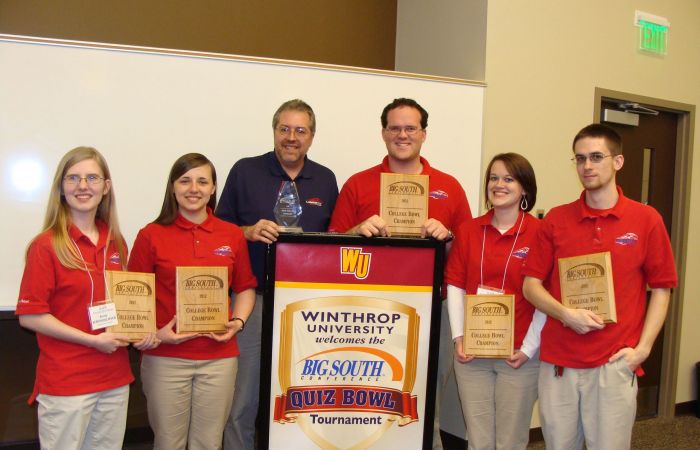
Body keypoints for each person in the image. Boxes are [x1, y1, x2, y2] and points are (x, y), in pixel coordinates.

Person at [522, 124, 677, 450]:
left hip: (614, 363)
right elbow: (531, 286)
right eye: (580, 159)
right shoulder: (556, 220)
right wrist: (566, 314)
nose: (587, 166)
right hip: (559, 365)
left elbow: (662, 288)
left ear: (618, 161)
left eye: (596, 157)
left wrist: (643, 350)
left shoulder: (646, 220)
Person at [328, 97, 472, 449]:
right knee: (371, 392)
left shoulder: (449, 186)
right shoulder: (358, 184)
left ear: (423, 134)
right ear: (383, 133)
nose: (402, 135)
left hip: (432, 309)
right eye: (395, 128)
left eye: (411, 128)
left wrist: (448, 237)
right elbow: (331, 248)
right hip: (369, 310)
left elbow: (469, 258)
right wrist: (357, 230)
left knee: (425, 393)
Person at [16, 146, 159, 450]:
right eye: (73, 178)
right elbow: (31, 315)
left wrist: (142, 332)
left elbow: (125, 306)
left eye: (92, 177)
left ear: (106, 187)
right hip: (67, 382)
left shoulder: (116, 242)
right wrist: (92, 341)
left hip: (114, 378)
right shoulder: (46, 245)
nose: (83, 186)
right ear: (61, 188)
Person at [216, 99, 338, 450]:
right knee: (244, 396)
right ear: (274, 131)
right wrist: (248, 231)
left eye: (300, 130)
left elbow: (334, 238)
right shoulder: (245, 170)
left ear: (312, 137)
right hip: (253, 301)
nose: (291, 137)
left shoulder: (326, 179)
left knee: (298, 391)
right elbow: (217, 231)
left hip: (305, 306)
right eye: (284, 129)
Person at [128, 153, 256, 450]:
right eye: (185, 180)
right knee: (168, 443)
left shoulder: (231, 235)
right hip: (166, 360)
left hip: (219, 358)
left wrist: (236, 323)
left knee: (208, 444)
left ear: (213, 189)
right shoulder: (151, 235)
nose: (193, 188)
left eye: (202, 181)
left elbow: (246, 288)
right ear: (173, 187)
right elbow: (133, 297)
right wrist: (155, 335)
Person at [445, 153, 544, 450]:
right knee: (478, 438)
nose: (499, 184)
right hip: (472, 354)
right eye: (494, 178)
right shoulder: (468, 230)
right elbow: (455, 285)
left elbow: (546, 298)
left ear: (524, 188)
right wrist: (458, 338)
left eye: (509, 179)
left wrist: (528, 349)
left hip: (519, 355)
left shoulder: (541, 234)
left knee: (511, 440)